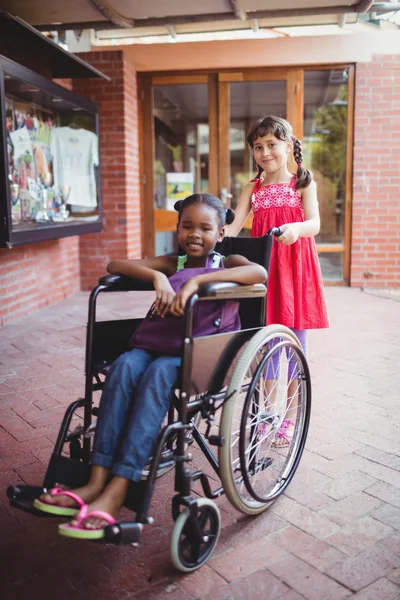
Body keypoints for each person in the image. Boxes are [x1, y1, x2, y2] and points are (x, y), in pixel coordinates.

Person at [33, 193, 267, 539]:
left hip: (198, 353)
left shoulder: (226, 260)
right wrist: (159, 278)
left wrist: (195, 282)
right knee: (124, 366)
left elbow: (259, 272)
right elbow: (116, 265)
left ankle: (119, 487)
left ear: (220, 233)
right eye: (187, 226)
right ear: (177, 230)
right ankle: (96, 480)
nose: (195, 234)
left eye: (205, 228)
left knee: (157, 375)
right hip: (158, 342)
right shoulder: (175, 261)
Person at [225, 115, 329, 446]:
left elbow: (314, 223)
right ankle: (268, 416)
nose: (265, 152)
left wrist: (296, 229)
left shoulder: (302, 182)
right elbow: (234, 227)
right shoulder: (251, 188)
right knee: (266, 345)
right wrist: (209, 233)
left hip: (296, 271)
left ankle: (289, 419)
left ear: (288, 145)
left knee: (293, 346)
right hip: (265, 269)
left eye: (272, 144)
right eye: (258, 146)